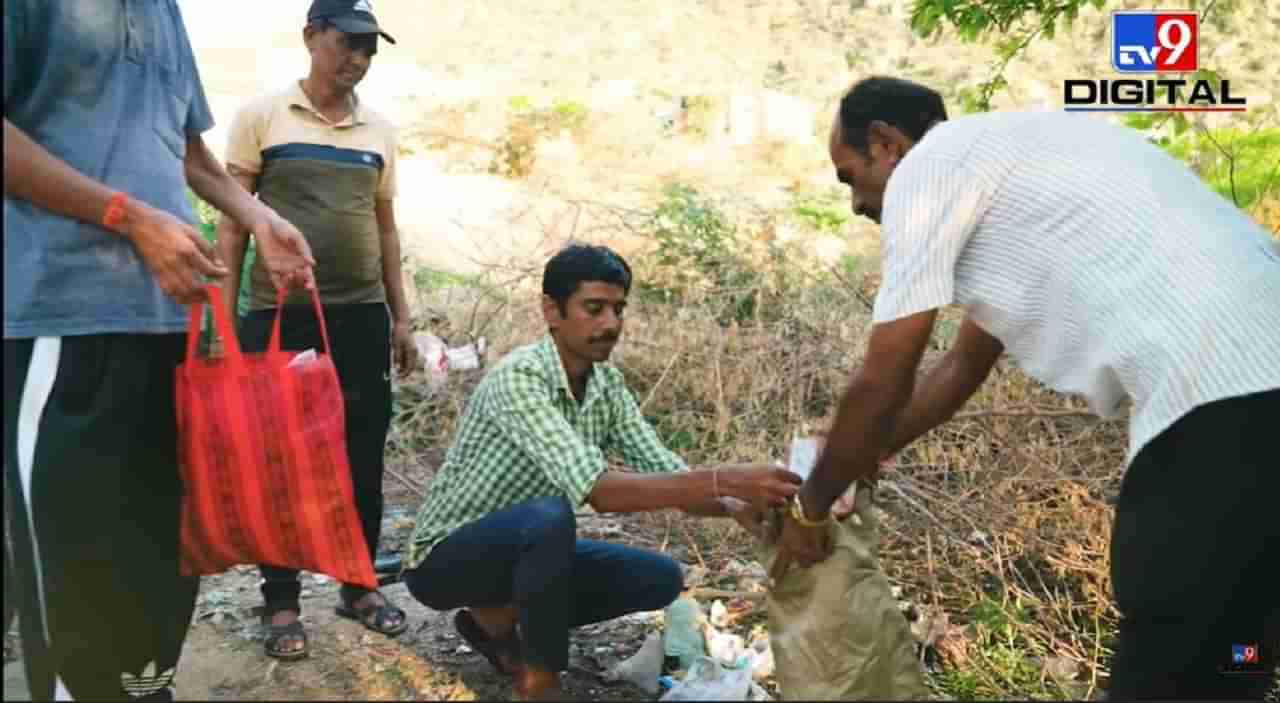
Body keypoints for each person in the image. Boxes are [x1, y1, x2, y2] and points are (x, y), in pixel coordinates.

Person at [771, 76, 1280, 700]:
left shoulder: (931, 169)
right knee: (1237, 642)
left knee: (1168, 632)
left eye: (850, 177)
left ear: (887, 143)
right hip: (1257, 401)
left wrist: (811, 508)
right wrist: (857, 454)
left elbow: (884, 377)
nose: (854, 204)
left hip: (1223, 400)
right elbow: (960, 369)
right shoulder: (1014, 166)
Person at [2, 1, 316, 699]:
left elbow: (189, 150)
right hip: (64, 315)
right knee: (72, 561)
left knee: (161, 550)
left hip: (167, 323)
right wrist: (129, 217)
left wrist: (260, 217)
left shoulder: (163, 10)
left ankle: (146, 686)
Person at [401, 244, 803, 701]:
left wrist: (734, 506)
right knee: (550, 518)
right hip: (444, 561)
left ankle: (490, 622)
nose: (611, 324)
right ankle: (540, 679)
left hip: (527, 552)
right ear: (552, 311)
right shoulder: (519, 378)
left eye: (618, 309)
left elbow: (666, 471)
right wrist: (726, 477)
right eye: (594, 308)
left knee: (660, 577)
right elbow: (602, 492)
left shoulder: (605, 385)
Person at [213, 0, 419, 661]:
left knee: (363, 450)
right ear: (311, 37)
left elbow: (385, 228)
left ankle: (357, 585)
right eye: (347, 42)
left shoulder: (379, 132)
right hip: (277, 317)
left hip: (359, 318)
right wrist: (222, 316)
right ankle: (279, 598)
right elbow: (231, 223)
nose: (358, 58)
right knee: (279, 458)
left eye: (369, 48)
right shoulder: (261, 118)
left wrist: (402, 317)